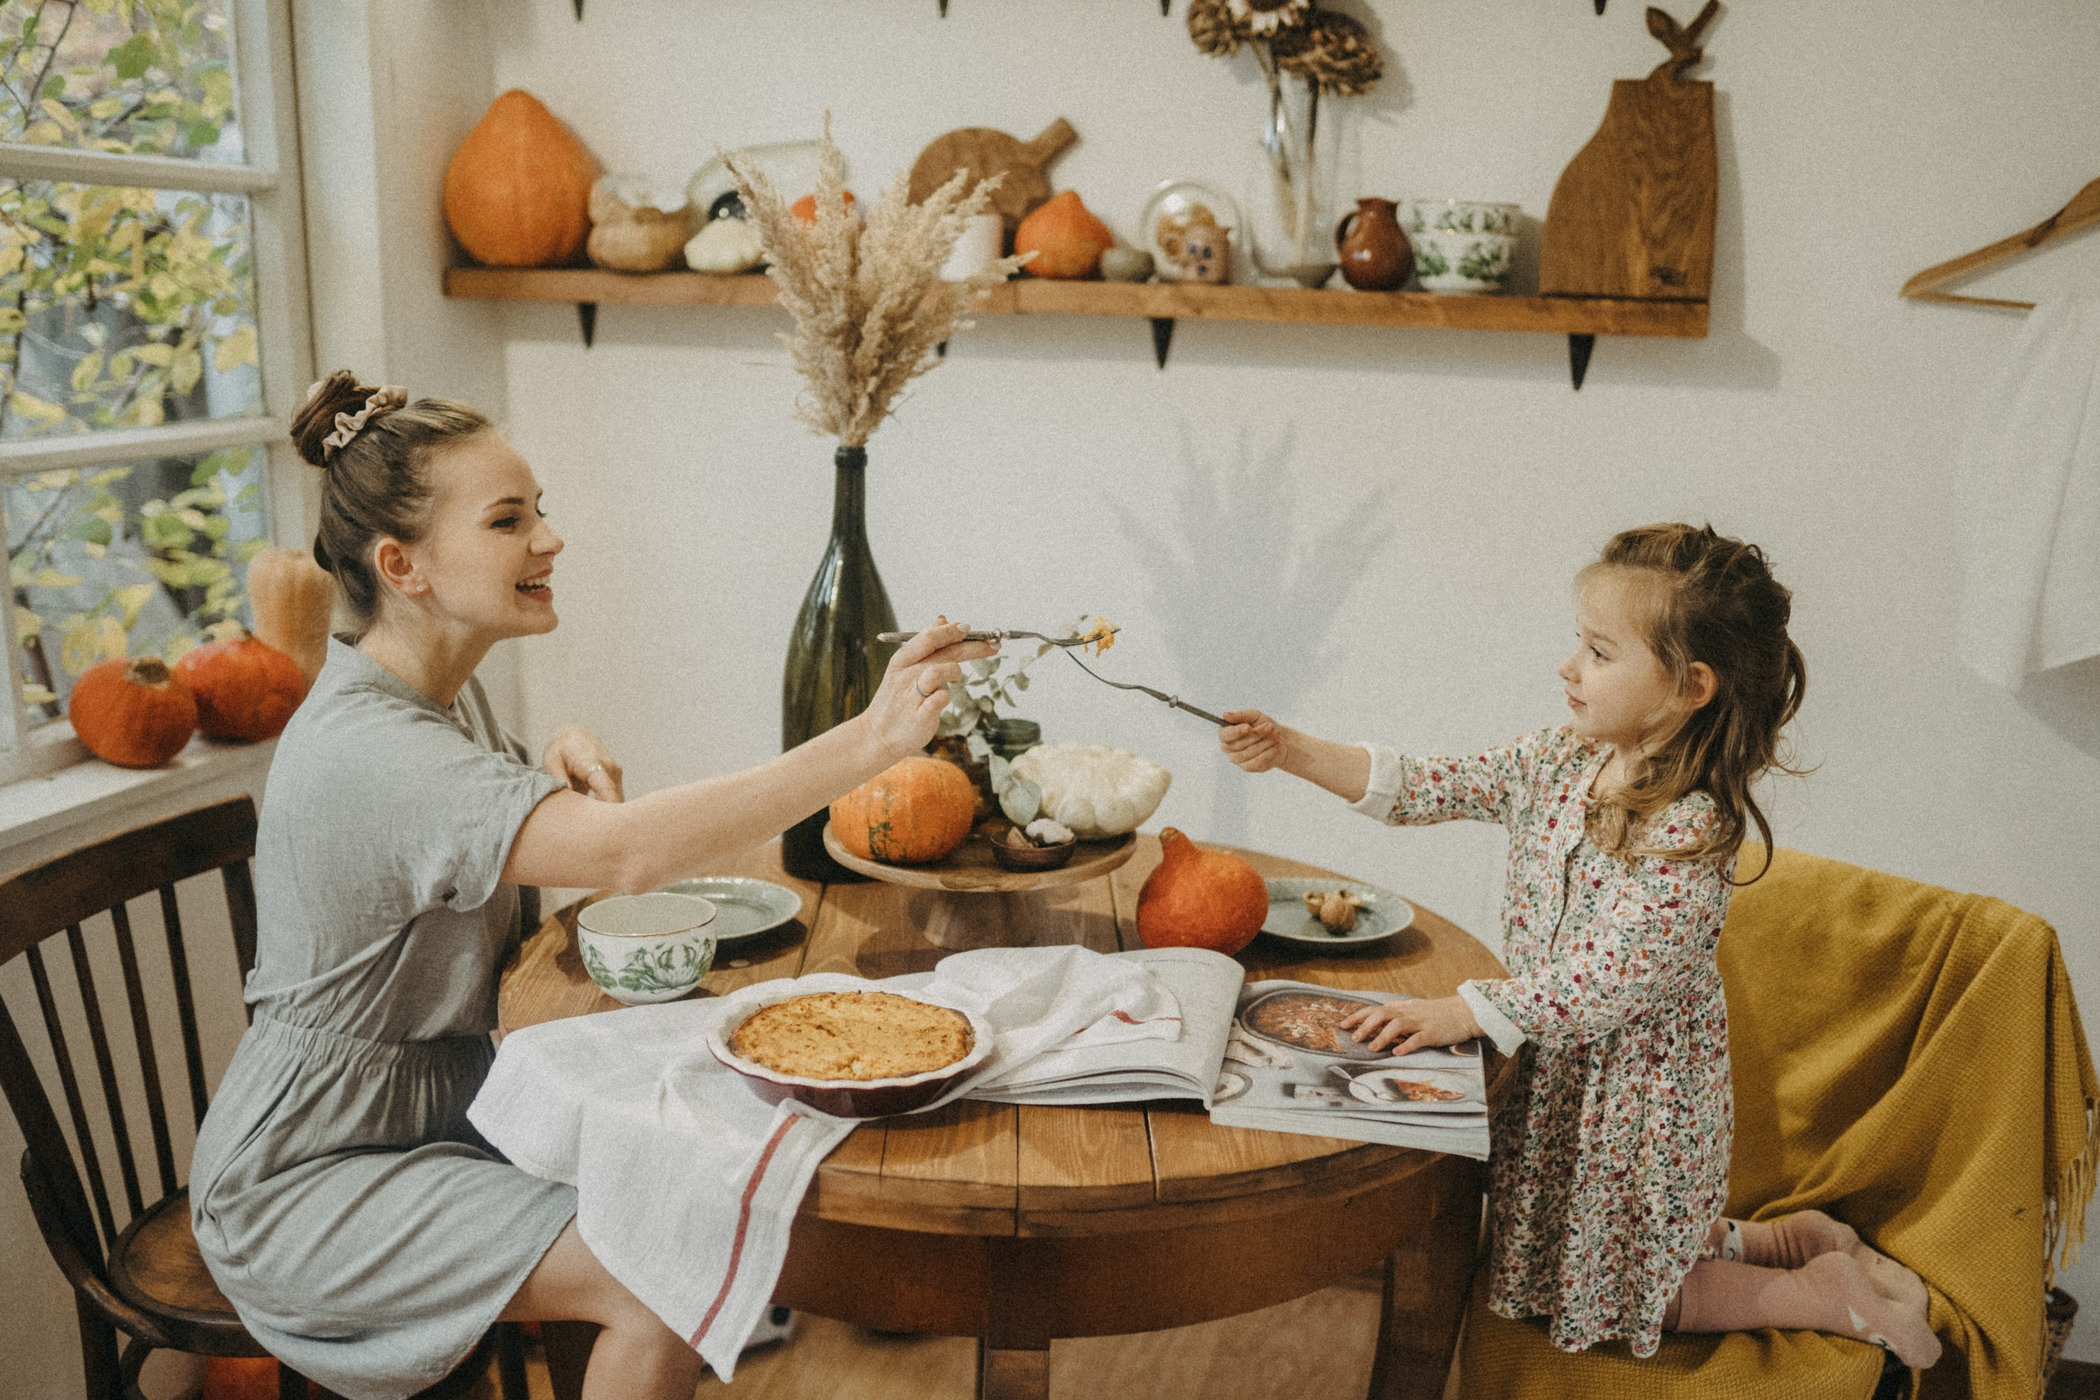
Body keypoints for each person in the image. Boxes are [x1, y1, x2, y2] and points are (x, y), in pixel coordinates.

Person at [188, 371, 993, 1400]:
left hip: (437, 1117)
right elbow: (623, 855)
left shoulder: (432, 697)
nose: (549, 539)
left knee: (694, 1182)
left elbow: (489, 824)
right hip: (306, 1179)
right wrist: (868, 740)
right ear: (404, 565)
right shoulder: (370, 749)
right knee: (660, 1277)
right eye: (508, 518)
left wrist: (548, 755)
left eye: (541, 510)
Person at [1217, 523, 1941, 1367]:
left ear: (1689, 686)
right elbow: (1431, 785)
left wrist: (1468, 1011)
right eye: (1579, 643)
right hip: (1564, 1068)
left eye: (1600, 652)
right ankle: (1784, 1240)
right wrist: (1292, 750)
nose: (1570, 668)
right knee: (1592, 1247)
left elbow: (1612, 977)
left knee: (1644, 1287)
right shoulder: (1563, 757)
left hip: (1634, 1098)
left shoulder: (1691, 827)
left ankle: (1815, 1291)